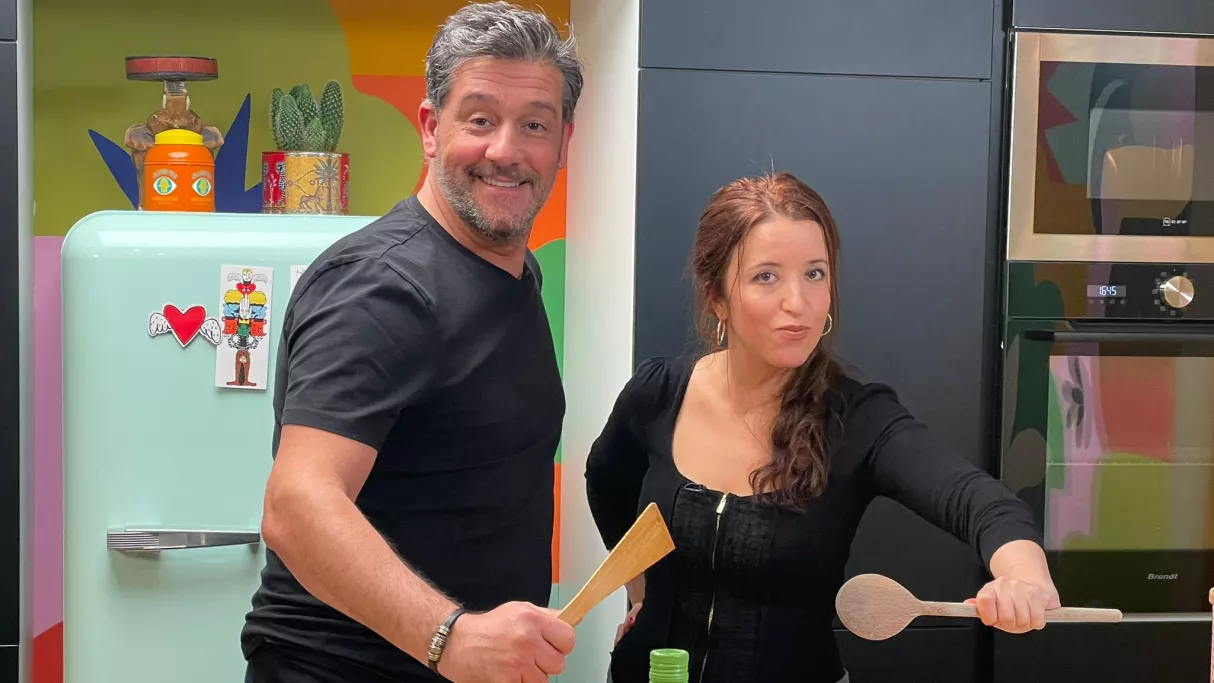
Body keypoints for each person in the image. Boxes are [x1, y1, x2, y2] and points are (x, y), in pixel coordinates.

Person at [585, 172, 1061, 683]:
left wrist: (1023, 577)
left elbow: (980, 502)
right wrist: (639, 590)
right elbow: (606, 481)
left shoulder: (856, 418)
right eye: (766, 277)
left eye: (815, 273)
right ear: (717, 296)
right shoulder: (658, 394)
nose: (799, 302)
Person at [239, 3, 583, 682]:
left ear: (563, 142)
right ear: (430, 128)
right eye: (479, 119)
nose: (506, 150)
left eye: (534, 124)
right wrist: (449, 637)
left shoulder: (514, 272)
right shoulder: (381, 286)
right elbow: (297, 503)